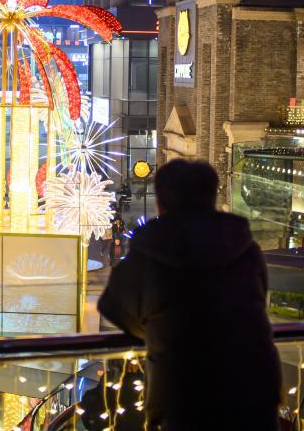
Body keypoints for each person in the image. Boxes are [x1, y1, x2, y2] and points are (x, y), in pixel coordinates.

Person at [98, 159, 281, 430]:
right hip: (255, 387)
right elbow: (259, 298)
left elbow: (114, 306)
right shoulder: (244, 247)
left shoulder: (148, 254)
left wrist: (160, 328)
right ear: (212, 197)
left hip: (184, 394)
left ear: (161, 203)